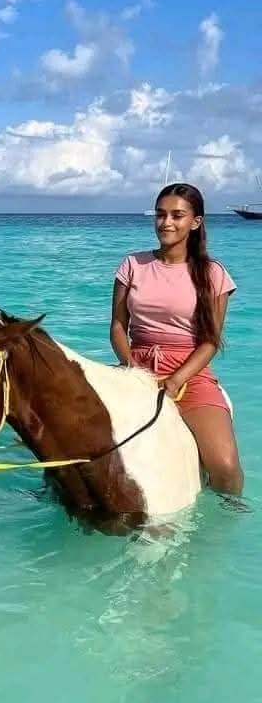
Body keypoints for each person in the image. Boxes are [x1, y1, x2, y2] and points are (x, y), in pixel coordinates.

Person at [110, 182, 243, 495]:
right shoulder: (132, 265)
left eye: (177, 215)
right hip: (135, 366)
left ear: (195, 222)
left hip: (189, 373)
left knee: (224, 467)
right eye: (160, 214)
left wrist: (176, 379)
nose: (166, 222)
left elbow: (210, 341)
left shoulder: (213, 273)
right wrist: (133, 368)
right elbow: (118, 326)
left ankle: (230, 516)